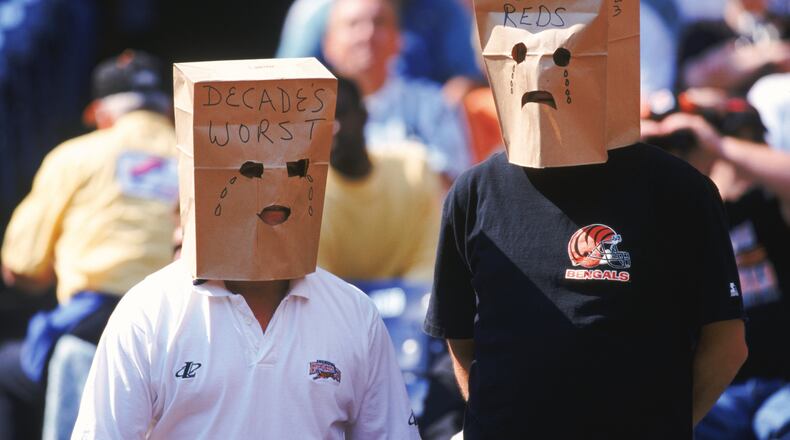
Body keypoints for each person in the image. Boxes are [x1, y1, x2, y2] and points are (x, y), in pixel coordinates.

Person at [423, 1, 748, 438]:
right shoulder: (473, 192)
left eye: (564, 56)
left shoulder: (681, 192)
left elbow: (726, 344)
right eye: (521, 54)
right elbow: (458, 337)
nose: (541, 73)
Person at [72, 58, 421, 439]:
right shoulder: (149, 314)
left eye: (294, 168)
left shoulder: (354, 315)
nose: (273, 186)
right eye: (251, 170)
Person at [0, 50, 177, 439]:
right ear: (167, 110)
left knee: (5, 373)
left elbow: (21, 267)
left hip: (93, 327)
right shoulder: (197, 162)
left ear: (100, 114)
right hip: (182, 331)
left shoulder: (75, 157)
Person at [643, 111, 790, 439]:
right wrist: (634, 153)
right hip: (713, 396)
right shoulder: (666, 220)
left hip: (782, 384)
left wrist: (719, 144)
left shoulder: (763, 204)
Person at [322, 0, 471, 181]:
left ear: (399, 40)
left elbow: (453, 183)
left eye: (379, 23)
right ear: (328, 43)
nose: (367, 34)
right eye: (353, 24)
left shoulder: (433, 104)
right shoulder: (311, 113)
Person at [318, 77, 442, 283]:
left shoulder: (414, 168)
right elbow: (320, 287)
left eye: (340, 113)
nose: (333, 128)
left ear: (364, 115)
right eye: (321, 120)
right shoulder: (309, 202)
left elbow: (429, 263)